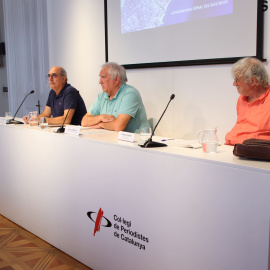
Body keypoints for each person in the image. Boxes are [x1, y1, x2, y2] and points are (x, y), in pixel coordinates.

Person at [81, 62, 150, 133]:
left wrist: (100, 124)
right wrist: (100, 117)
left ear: (116, 79)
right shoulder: (102, 95)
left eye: (103, 77)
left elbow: (118, 126)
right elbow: (84, 121)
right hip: (113, 139)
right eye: (100, 77)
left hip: (137, 141)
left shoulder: (130, 93)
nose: (100, 82)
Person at [225, 57, 270, 145]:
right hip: (234, 148)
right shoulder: (242, 98)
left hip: (255, 154)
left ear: (253, 81)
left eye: (237, 80)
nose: (234, 84)